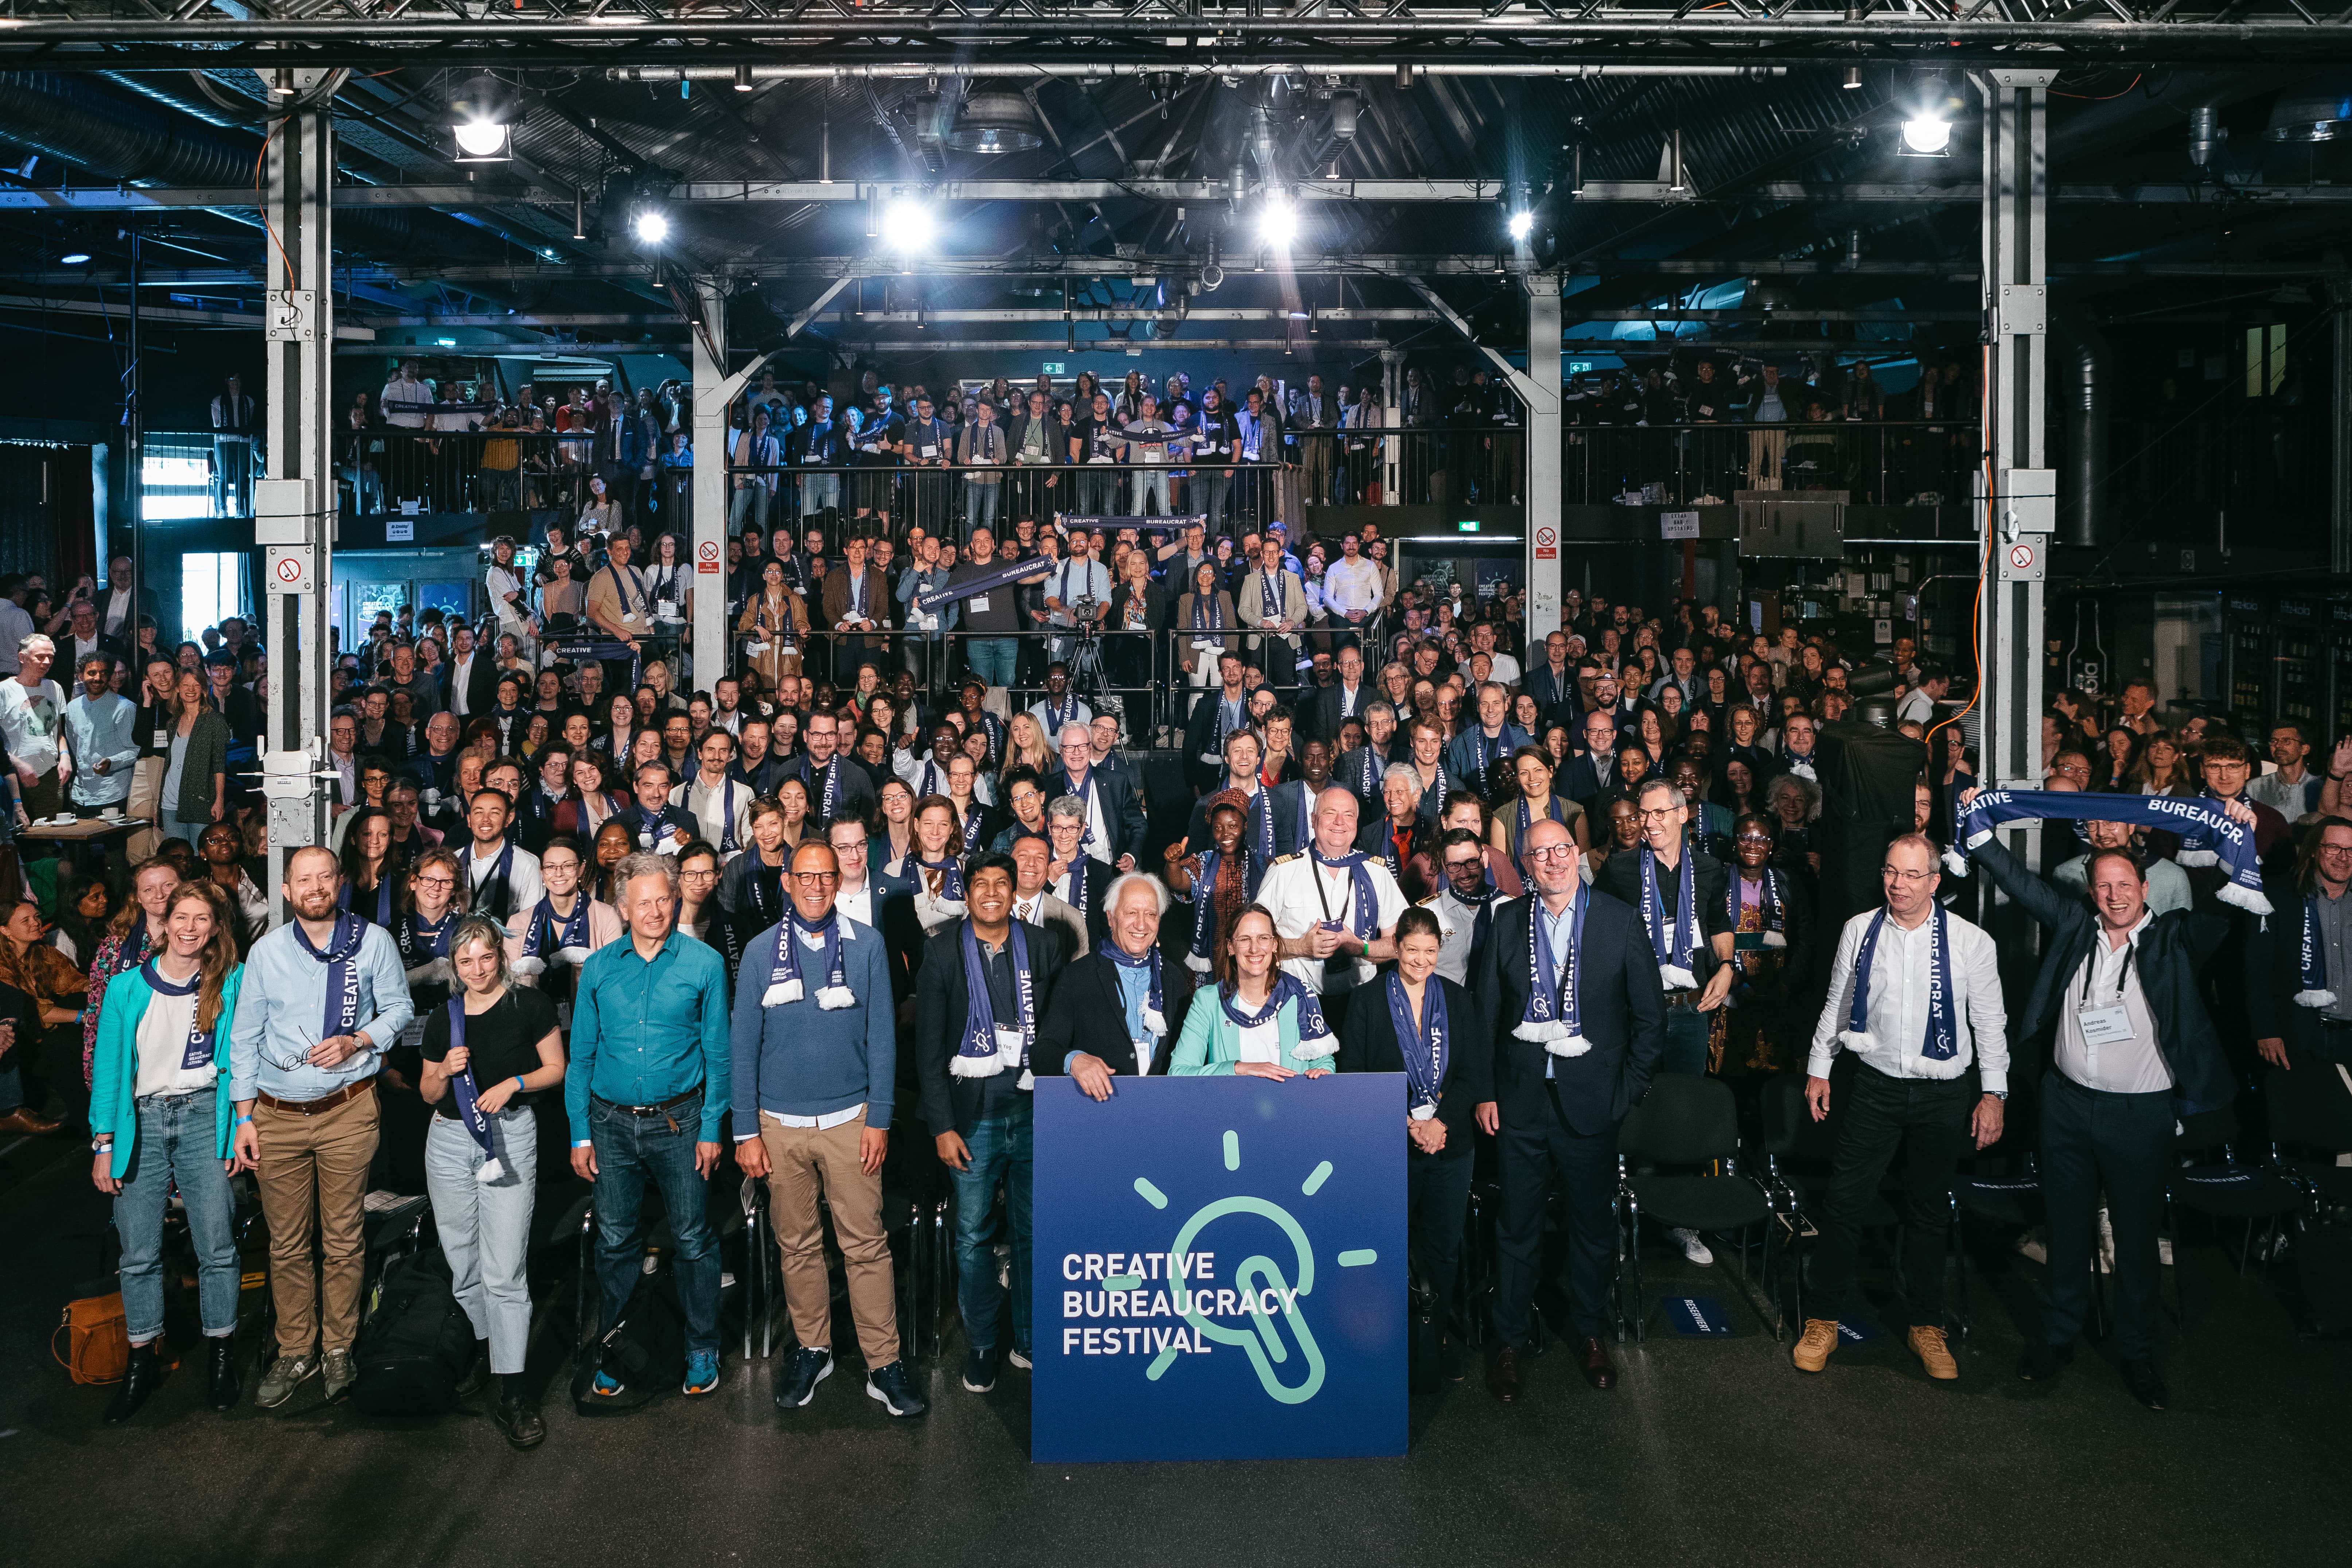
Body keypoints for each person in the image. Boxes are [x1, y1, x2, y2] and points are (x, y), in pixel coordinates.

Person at [1966, 791, 2251, 1411]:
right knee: (2066, 1229)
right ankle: (2058, 1336)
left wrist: (2239, 838)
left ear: (2145, 889)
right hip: (2065, 1107)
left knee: (2135, 1237)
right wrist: (1976, 822)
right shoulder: (2074, 924)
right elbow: (2016, 880)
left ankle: (2136, 1352)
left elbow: (2230, 905)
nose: (2115, 895)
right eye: (2104, 885)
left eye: (2125, 885)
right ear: (2090, 890)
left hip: (2139, 1115)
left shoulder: (2176, 938)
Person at [1791, 833, 2008, 1384]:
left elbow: (1989, 1022)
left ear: (1934, 881)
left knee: (1928, 1212)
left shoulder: (1971, 941)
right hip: (1876, 1086)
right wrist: (1819, 1067)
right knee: (1843, 1204)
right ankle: (1823, 1319)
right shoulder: (1859, 929)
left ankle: (1925, 1324)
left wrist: (1994, 1093)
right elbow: (1839, 1001)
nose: (1898, 884)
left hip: (1943, 1093)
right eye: (1891, 871)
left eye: (1912, 875)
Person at [1475, 817, 1663, 1401]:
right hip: (1521, 1103)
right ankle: (1508, 1342)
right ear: (1526, 864)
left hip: (1592, 1105)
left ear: (1576, 854)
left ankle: (1590, 1332)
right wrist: (1486, 1091)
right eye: (1540, 853)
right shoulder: (1507, 920)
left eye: (1561, 849)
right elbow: (1486, 1015)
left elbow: (1650, 1020)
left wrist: (1624, 1095)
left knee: (1591, 1227)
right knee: (1516, 1226)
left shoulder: (1618, 919)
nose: (1553, 861)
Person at [228, 845, 417, 1408]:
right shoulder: (265, 953)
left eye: (324, 877)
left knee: (343, 1238)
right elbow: (244, 1038)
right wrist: (243, 1117)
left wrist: (359, 1040)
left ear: (339, 882)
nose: (314, 887)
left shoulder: (372, 942)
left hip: (347, 1111)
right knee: (286, 1243)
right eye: (303, 880)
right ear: (286, 890)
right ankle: (295, 1350)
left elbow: (400, 1009)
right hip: (276, 1116)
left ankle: (338, 1346)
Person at [566, 853, 731, 1398]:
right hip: (609, 1125)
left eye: (664, 899)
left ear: (676, 900)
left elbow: (719, 1055)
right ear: (623, 908)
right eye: (643, 902)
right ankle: (618, 1346)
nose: (655, 911)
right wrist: (580, 1133)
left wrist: (712, 1128)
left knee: (692, 1238)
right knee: (615, 1241)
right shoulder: (598, 968)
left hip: (681, 1122)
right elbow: (581, 1058)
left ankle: (701, 1344)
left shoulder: (705, 964)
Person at [87, 880, 248, 1423]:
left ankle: (221, 1355)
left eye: (202, 918)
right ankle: (141, 1361)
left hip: (204, 1117)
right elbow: (109, 1070)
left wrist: (238, 1127)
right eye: (182, 916)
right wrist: (103, 1143)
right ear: (165, 920)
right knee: (138, 1253)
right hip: (143, 1124)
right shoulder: (126, 987)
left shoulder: (231, 980)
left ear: (216, 927)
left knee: (217, 1246)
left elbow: (241, 1060)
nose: (190, 928)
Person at [914, 851, 1068, 1395]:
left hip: (1032, 1112)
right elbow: (929, 1049)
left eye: (1002, 883)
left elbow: (1059, 1030)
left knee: (1033, 1230)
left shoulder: (1045, 945)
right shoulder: (941, 951)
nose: (992, 893)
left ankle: (1028, 1337)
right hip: (971, 1119)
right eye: (980, 883)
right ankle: (982, 1343)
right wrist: (942, 1126)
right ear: (967, 891)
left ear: (1014, 889)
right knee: (974, 1235)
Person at [417, 915, 566, 1447]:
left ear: (500, 956)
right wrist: (442, 1070)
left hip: (507, 1138)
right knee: (463, 1262)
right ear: (454, 967)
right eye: (466, 961)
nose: (477, 969)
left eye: (485, 957)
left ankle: (514, 1392)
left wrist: (514, 1082)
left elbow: (556, 1068)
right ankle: (488, 1353)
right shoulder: (444, 1018)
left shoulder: (530, 1004)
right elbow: (428, 1093)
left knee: (504, 1271)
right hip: (448, 1141)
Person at [1337, 904, 1491, 1359]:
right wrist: (1407, 1124)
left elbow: (1473, 1074)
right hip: (1391, 1144)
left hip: (1450, 1142)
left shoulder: (1458, 1000)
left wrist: (1439, 1122)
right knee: (1387, 1245)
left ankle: (1432, 1338)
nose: (1420, 960)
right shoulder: (1366, 1000)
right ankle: (1386, 1342)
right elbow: (1353, 1073)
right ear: (1396, 948)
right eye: (1410, 950)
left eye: (1429, 951)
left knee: (1443, 1248)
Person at [1252, 787, 1406, 1034]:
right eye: (1330, 813)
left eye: (1348, 815)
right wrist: (1301, 947)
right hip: (1295, 1002)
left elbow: (1401, 943)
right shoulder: (1284, 871)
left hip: (1360, 1006)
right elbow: (1253, 943)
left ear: (1357, 823)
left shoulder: (1377, 873)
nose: (1339, 822)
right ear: (1314, 820)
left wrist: (1361, 948)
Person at [1039, 871, 1196, 1101]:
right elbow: (1042, 1052)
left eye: (1151, 914)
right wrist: (1074, 1061)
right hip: (1101, 1110)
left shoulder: (1173, 978)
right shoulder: (1077, 977)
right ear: (1111, 917)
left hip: (1159, 1107)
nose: (1141, 925)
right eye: (1131, 913)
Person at [1169, 904, 1339, 1075]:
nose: (1255, 949)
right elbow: (1179, 1072)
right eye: (1245, 939)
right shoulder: (1209, 1001)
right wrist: (1238, 1068)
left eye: (1263, 938)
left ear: (1274, 944)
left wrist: (1322, 1073)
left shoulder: (1300, 995)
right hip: (1233, 1094)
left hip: (1292, 1094)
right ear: (1231, 947)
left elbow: (1323, 1062)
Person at [63, 652, 137, 819]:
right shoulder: (73, 707)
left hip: (112, 793)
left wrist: (112, 762)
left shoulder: (125, 708)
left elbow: (135, 750)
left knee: (113, 837)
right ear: (81, 676)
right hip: (80, 795)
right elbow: (74, 747)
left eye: (104, 673)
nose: (98, 678)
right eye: (92, 673)